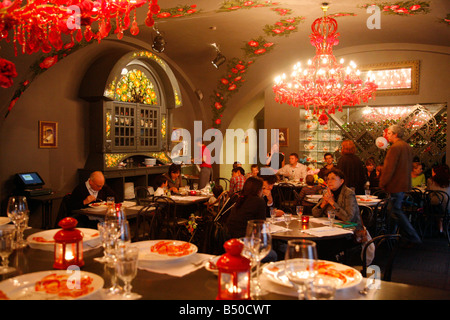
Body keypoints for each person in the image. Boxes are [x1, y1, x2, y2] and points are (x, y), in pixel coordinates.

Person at [380, 124, 422, 245]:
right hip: (403, 184)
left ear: (395, 134)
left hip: (395, 184)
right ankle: (393, 236)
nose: (387, 135)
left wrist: (383, 182)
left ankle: (409, 236)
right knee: (394, 210)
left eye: (389, 133)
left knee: (395, 210)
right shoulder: (407, 147)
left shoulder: (395, 148)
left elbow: (389, 168)